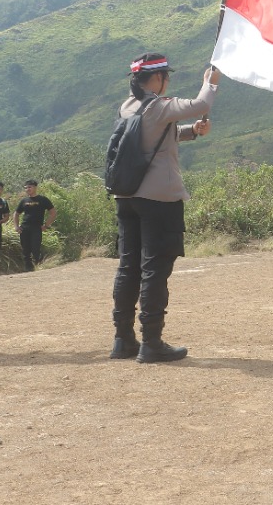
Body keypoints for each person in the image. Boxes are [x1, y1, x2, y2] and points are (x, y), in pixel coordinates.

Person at [110, 52, 217, 363]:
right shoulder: (157, 105)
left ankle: (123, 339)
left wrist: (192, 131)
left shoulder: (127, 106)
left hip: (127, 197)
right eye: (166, 76)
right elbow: (200, 105)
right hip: (158, 199)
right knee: (154, 269)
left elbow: (153, 139)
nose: (168, 81)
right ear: (156, 78)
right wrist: (210, 82)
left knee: (128, 267)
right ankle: (152, 342)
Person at [15, 181, 56, 270]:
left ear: (35, 187)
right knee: (25, 250)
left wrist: (46, 225)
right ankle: (28, 269)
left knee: (35, 248)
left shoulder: (43, 199)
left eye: (29, 187)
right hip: (24, 228)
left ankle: (39, 266)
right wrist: (17, 226)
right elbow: (16, 214)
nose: (27, 189)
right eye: (26, 187)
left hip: (37, 228)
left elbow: (53, 213)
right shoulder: (24, 201)